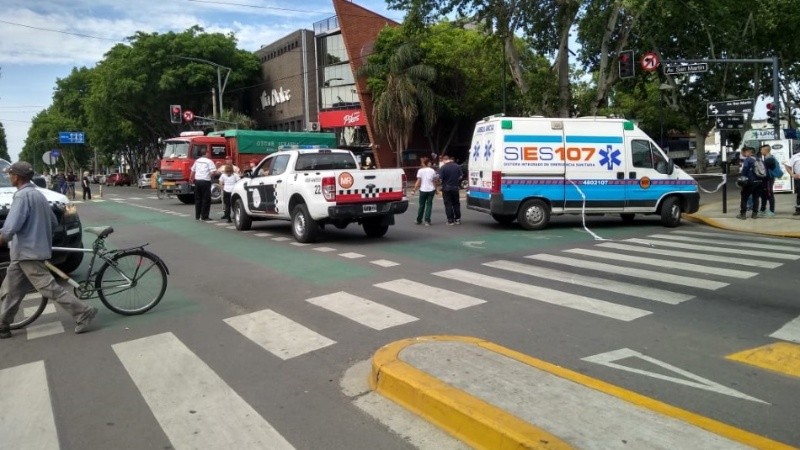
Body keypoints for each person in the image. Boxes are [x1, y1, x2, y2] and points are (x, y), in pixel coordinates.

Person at [0, 162, 98, 339]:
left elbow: (9, 229)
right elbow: (53, 222)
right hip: (25, 253)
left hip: (28, 253)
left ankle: (83, 312)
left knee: (49, 288)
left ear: (17, 177)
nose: (9, 177)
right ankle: (3, 324)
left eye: (10, 174)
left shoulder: (22, 196)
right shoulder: (39, 195)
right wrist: (39, 237)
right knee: (11, 290)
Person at [190, 150, 217, 221]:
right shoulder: (209, 161)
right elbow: (213, 172)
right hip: (205, 181)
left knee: (198, 199)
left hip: (197, 181)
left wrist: (191, 178)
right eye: (208, 153)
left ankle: (197, 216)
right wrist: (210, 176)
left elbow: (193, 170)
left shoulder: (197, 161)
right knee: (206, 199)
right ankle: (204, 216)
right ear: (206, 154)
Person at [411, 157, 438, 226]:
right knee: (429, 205)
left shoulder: (420, 171)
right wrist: (436, 189)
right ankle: (427, 221)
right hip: (431, 189)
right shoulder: (432, 170)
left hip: (423, 190)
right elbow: (434, 181)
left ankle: (419, 220)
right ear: (428, 163)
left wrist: (414, 189)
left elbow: (418, 181)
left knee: (421, 205)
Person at [737, 146, 762, 220]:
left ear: (749, 152)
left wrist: (742, 180)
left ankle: (743, 214)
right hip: (759, 181)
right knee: (756, 198)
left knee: (744, 198)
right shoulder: (759, 159)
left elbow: (744, 171)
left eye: (744, 152)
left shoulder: (748, 160)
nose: (744, 154)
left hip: (750, 182)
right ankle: (754, 214)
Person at [438, 154, 463, 225]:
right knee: (456, 203)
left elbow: (440, 179)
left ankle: (450, 220)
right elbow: (460, 176)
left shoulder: (443, 167)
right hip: (455, 187)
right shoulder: (457, 166)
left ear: (444, 160)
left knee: (448, 204)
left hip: (446, 188)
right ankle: (457, 219)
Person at [758, 144, 777, 217]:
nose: (760, 151)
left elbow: (762, 169)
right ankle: (763, 210)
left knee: (769, 194)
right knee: (764, 194)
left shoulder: (770, 159)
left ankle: (772, 211)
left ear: (765, 150)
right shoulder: (767, 158)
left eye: (761, 150)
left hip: (769, 179)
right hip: (765, 180)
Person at [785, 144, 800, 216]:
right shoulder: (795, 156)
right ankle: (798, 210)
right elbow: (787, 165)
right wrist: (792, 174)